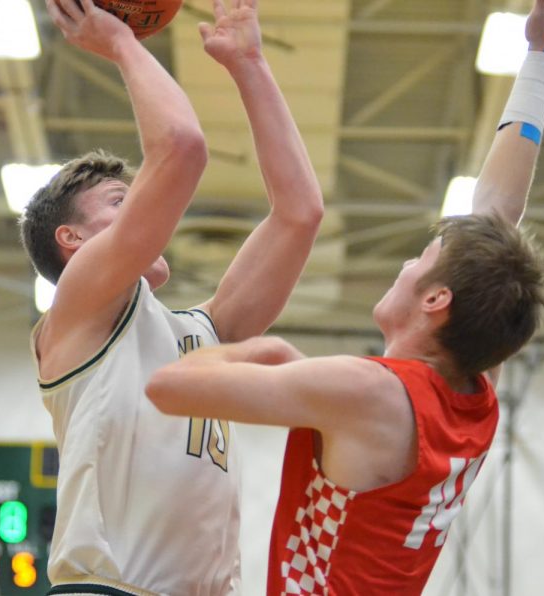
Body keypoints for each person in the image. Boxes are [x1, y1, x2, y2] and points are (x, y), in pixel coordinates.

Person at [147, 0, 544, 593]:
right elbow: (499, 212)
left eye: (421, 259)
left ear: (436, 300)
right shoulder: (473, 395)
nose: (407, 262)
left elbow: (167, 387)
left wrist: (257, 350)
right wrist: (541, 50)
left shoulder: (368, 390)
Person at [23, 0, 323, 594]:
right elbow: (182, 145)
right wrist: (121, 43)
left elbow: (299, 214)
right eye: (119, 201)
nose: (142, 208)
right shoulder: (79, 306)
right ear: (72, 240)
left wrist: (251, 65)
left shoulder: (202, 335)